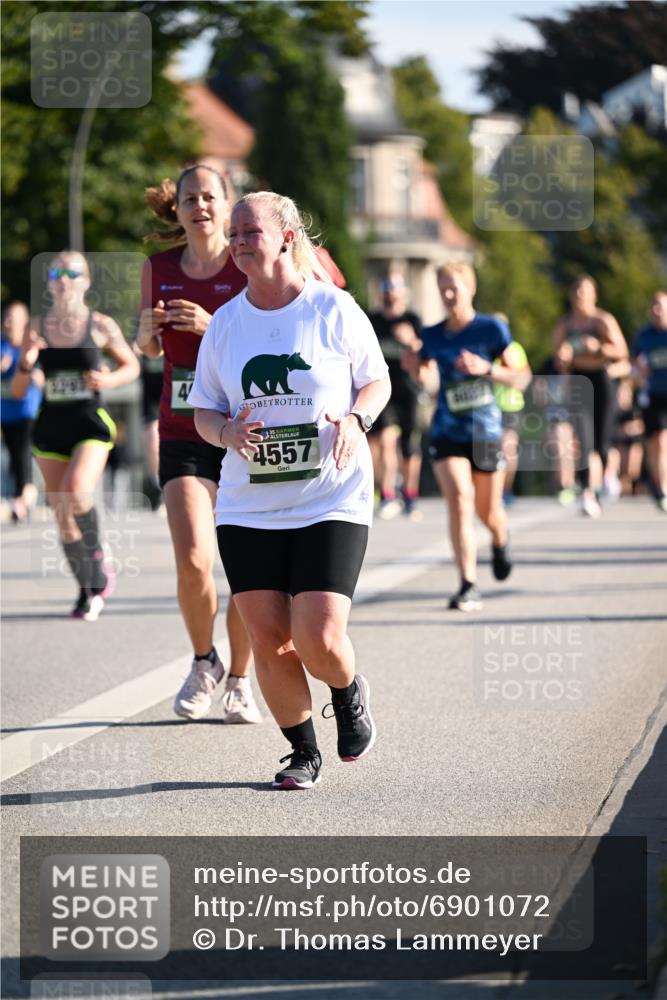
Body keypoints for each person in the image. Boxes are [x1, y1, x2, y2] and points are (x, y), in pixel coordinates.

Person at [189, 191, 391, 789]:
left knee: (318, 637)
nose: (238, 242)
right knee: (270, 638)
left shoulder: (332, 308)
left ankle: (347, 690)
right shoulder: (226, 323)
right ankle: (302, 751)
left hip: (331, 496)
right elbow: (204, 410)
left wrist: (355, 421)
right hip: (249, 505)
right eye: (234, 233)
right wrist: (225, 432)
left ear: (286, 236)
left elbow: (376, 382)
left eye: (250, 231)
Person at [137, 163, 262, 724]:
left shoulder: (245, 265)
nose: (200, 207)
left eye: (209, 197)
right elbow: (151, 350)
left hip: (243, 429)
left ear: (227, 203)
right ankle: (203, 660)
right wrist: (145, 337)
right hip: (183, 428)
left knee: (244, 567)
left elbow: (263, 341)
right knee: (193, 559)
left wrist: (212, 325)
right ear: (178, 209)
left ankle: (240, 680)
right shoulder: (159, 268)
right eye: (190, 199)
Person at [11, 251, 140, 620]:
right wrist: (26, 363)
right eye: (57, 273)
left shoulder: (100, 324)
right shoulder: (36, 327)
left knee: (77, 490)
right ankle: (86, 589)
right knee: (62, 512)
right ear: (50, 282)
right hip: (51, 426)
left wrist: (107, 379)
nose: (64, 280)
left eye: (73, 273)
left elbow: (130, 366)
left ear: (86, 281)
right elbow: (18, 390)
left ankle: (97, 554)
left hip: (90, 425)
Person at [405, 262, 531, 612]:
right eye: (443, 288)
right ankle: (468, 583)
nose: (448, 294)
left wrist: (487, 368)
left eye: (454, 287)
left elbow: (522, 378)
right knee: (460, 500)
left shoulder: (492, 329)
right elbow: (422, 375)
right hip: (447, 431)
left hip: (485, 432)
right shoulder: (432, 335)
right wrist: (413, 366)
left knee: (488, 512)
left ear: (471, 288)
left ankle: (500, 537)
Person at [553, 275, 628, 517]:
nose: (579, 296)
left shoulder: (602, 320)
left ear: (594, 295)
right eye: (576, 291)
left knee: (602, 443)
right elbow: (558, 359)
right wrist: (564, 357)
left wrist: (598, 348)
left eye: (584, 291)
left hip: (602, 381)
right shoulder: (565, 325)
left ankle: (606, 477)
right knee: (584, 441)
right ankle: (587, 493)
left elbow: (621, 351)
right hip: (579, 382)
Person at [367, 273, 423, 520]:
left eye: (395, 287)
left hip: (408, 388)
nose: (390, 292)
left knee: (409, 445)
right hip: (382, 388)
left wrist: (411, 340)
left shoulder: (412, 319)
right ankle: (388, 493)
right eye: (386, 287)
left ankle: (410, 495)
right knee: (385, 440)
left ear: (403, 292)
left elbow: (425, 354)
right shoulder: (373, 320)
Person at [2, 301, 42, 522]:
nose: (8, 323)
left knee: (23, 451)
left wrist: (35, 376)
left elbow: (43, 375)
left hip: (27, 410)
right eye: (6, 318)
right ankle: (24, 493)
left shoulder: (30, 347)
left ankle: (23, 495)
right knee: (14, 453)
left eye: (13, 318)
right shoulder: (1, 346)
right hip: (6, 412)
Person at [491, 313, 530, 505]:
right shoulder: (483, 348)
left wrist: (496, 373)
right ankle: (491, 490)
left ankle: (505, 490)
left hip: (511, 406)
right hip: (487, 407)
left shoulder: (514, 349)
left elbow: (523, 379)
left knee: (508, 448)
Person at [634, 290, 667, 511]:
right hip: (653, 394)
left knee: (663, 441)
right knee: (654, 443)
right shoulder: (643, 336)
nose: (657, 310)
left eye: (661, 306)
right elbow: (635, 365)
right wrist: (638, 371)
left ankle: (663, 487)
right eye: (653, 306)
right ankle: (658, 485)